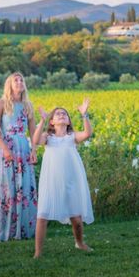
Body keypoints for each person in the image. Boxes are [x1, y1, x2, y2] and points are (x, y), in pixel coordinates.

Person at [32, 99, 94, 258]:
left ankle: (79, 243)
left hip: (71, 180)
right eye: (57, 114)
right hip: (51, 181)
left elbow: (87, 133)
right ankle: (38, 252)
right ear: (52, 121)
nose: (61, 115)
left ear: (68, 121)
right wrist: (42, 120)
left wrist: (84, 115)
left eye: (64, 114)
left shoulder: (72, 137)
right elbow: (35, 140)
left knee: (76, 218)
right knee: (43, 215)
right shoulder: (48, 137)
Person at [0, 72, 38, 243]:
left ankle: (24, 230)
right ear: (9, 85)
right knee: (9, 189)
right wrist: (4, 148)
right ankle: (7, 231)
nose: (19, 82)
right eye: (15, 80)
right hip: (8, 148)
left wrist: (34, 150)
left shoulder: (28, 105)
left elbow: (33, 132)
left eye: (21, 79)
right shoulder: (1, 103)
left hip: (24, 149)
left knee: (24, 189)